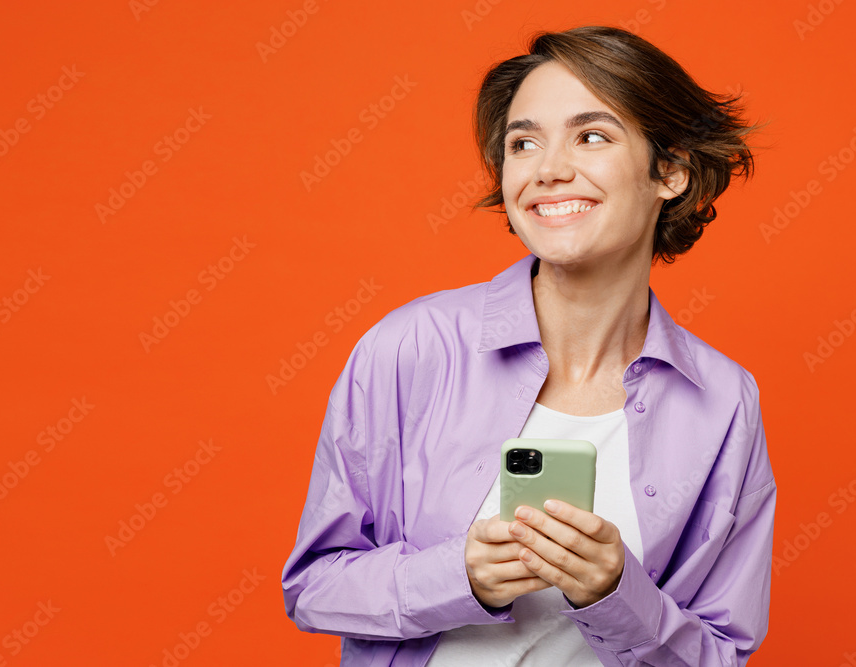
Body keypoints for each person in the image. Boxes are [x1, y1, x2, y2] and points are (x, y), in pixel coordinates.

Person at [282, 25, 775, 666]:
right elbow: (313, 587)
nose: (549, 170)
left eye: (591, 136)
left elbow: (720, 656)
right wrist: (459, 578)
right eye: (524, 143)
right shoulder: (410, 349)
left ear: (671, 171)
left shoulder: (723, 402)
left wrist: (616, 595)